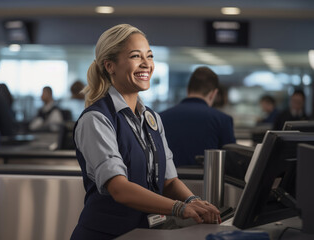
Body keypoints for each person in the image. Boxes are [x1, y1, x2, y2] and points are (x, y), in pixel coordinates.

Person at [70, 24, 220, 240]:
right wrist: (180, 208)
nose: (146, 64)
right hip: (106, 234)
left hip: (145, 233)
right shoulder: (96, 119)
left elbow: (169, 181)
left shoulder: (153, 119)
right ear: (110, 65)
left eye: (149, 56)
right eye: (135, 56)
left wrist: (193, 201)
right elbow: (119, 188)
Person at [160, 66, 236, 167]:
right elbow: (232, 162)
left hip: (168, 182)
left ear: (188, 90)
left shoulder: (160, 117)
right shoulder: (222, 120)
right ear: (213, 94)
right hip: (208, 181)